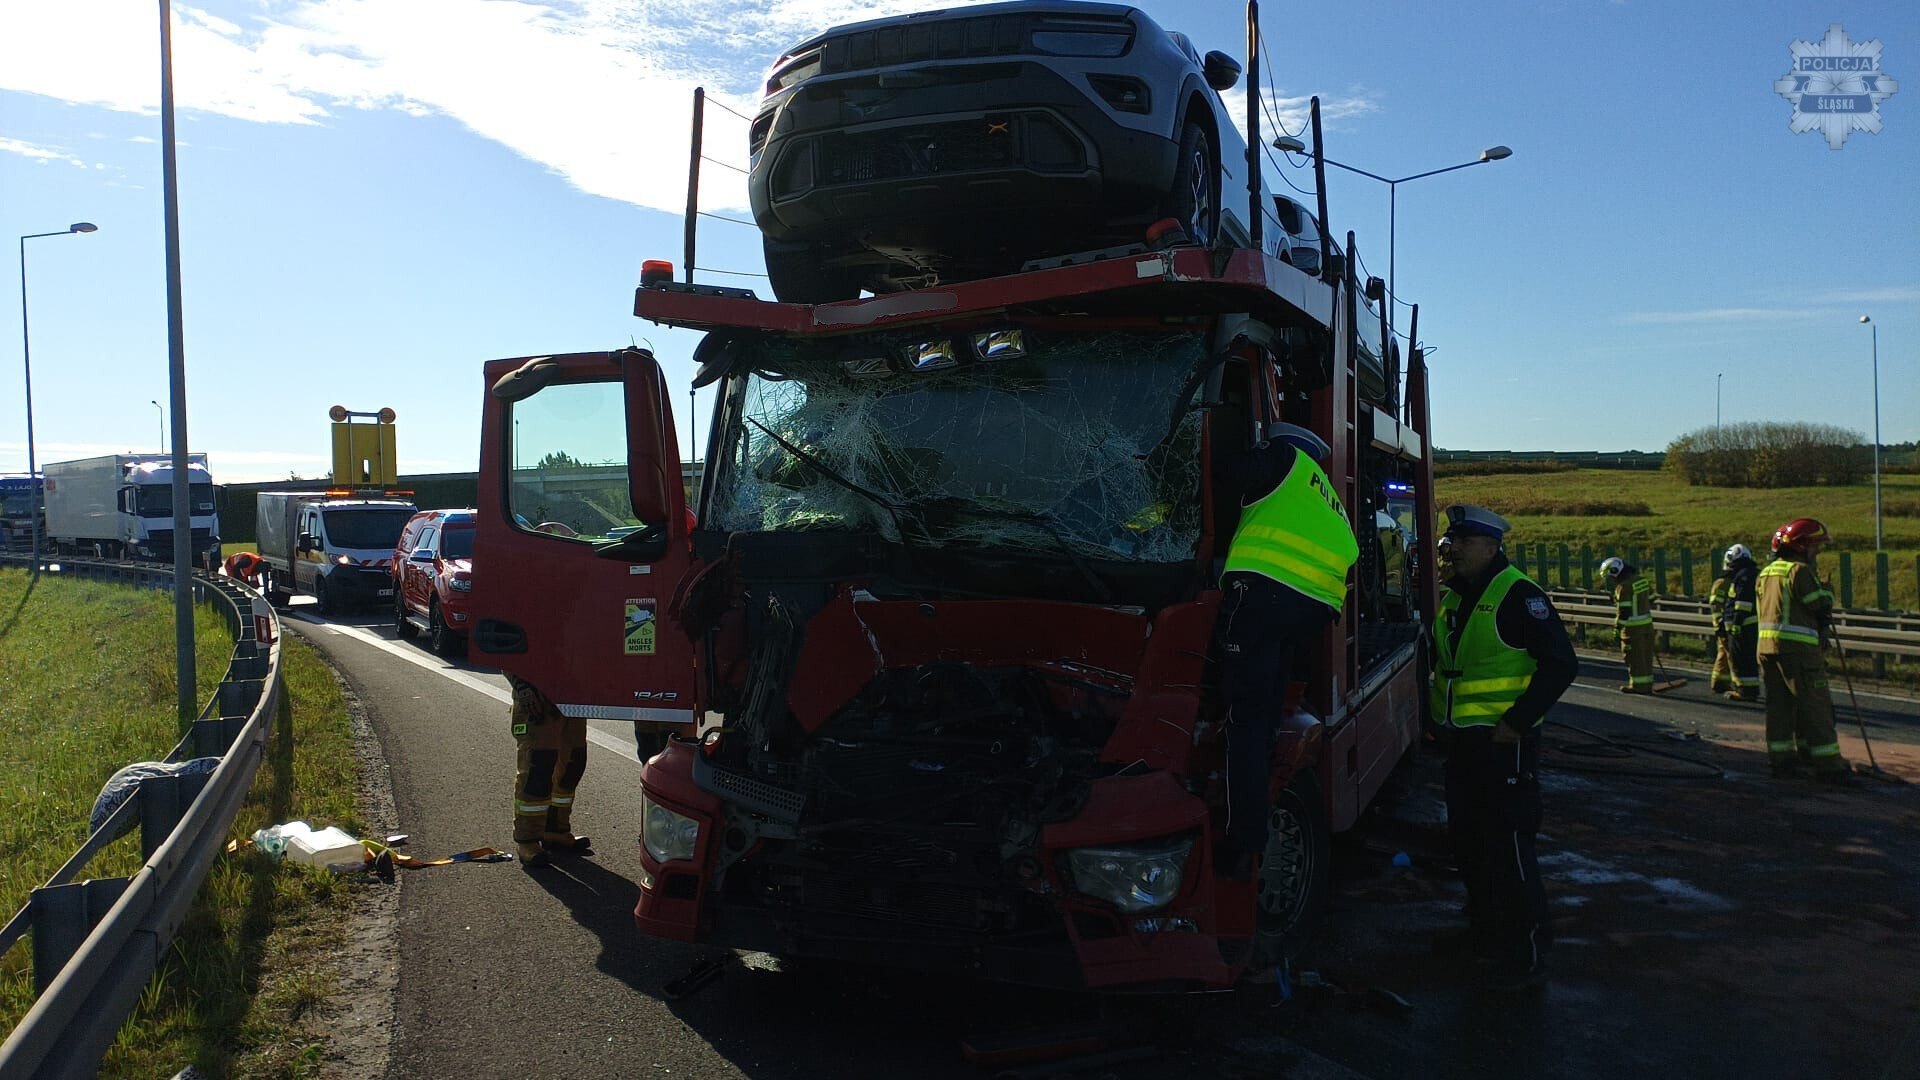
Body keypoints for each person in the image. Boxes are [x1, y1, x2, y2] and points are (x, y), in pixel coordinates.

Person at [1430, 505, 1576, 992]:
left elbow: (1560, 664)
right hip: (1464, 744)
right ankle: (1486, 936)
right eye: (1451, 540)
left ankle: (1525, 950)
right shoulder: (1454, 599)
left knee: (1508, 847)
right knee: (1468, 843)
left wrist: (1516, 721)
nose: (1451, 549)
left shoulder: (1519, 595)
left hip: (1503, 747)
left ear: (1490, 547)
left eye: (1463, 542)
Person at [1216, 421, 1358, 874]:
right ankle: (1267, 777)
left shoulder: (1283, 460)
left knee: (1243, 720)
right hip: (1308, 612)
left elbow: (1221, 473)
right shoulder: (1326, 496)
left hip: (1262, 599)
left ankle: (1242, 842)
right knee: (1266, 709)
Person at [1756, 519, 1851, 783]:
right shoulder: (1799, 571)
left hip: (1766, 649)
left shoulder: (1766, 573)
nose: (1817, 553)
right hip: (1798, 651)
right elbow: (1817, 604)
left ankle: (1782, 761)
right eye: (1815, 547)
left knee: (1780, 708)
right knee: (1816, 706)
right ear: (1801, 547)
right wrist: (1828, 593)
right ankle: (1829, 765)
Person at [507, 673, 594, 867]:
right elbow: (504, 646)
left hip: (573, 696)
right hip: (537, 699)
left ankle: (555, 830)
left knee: (573, 763)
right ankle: (527, 841)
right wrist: (522, 685)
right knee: (537, 769)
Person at [1598, 556, 1654, 693]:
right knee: (1645, 657)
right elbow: (1651, 598)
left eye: (1610, 577)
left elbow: (1624, 612)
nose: (1611, 580)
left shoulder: (1623, 587)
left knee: (1634, 658)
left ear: (1616, 572)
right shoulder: (1641, 580)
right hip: (1647, 626)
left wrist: (1617, 629)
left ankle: (1638, 686)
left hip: (1632, 630)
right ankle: (1646, 685)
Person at [1721, 543, 1761, 702]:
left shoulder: (1743, 576)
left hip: (1743, 626)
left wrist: (1736, 623)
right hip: (1748, 624)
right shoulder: (1750, 573)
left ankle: (1745, 691)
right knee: (1748, 659)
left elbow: (1742, 602)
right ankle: (1749, 689)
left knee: (1741, 659)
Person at [1708, 566, 1735, 694]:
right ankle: (1734, 683)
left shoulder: (1731, 581)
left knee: (1723, 653)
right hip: (1725, 624)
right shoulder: (1722, 583)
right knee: (1730, 654)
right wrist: (1718, 624)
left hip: (1728, 623)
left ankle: (1719, 682)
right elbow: (1715, 605)